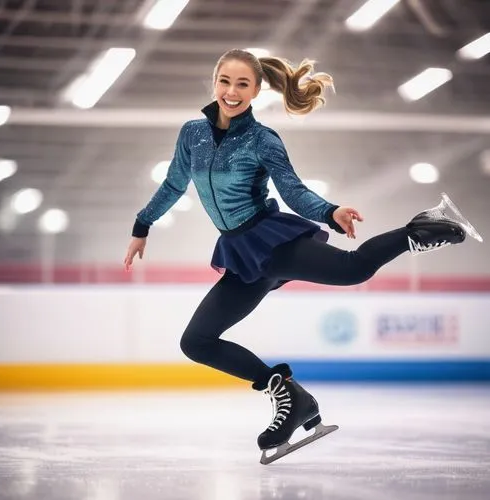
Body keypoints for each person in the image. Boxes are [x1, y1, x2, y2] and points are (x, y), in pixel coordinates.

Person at [124, 49, 477, 464]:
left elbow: (293, 190)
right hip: (241, 254)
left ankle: (421, 229)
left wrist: (330, 212)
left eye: (242, 84)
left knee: (352, 269)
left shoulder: (263, 139)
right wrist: (141, 225)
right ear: (214, 82)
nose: (232, 92)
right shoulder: (192, 134)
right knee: (196, 342)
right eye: (225, 81)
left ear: (256, 91)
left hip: (272, 241)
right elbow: (173, 183)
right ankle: (293, 398)